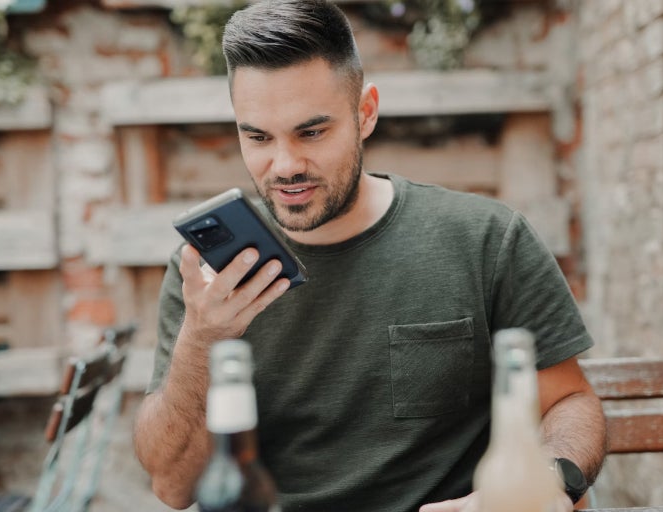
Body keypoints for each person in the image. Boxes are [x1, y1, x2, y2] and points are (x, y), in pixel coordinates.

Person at [133, 1, 607, 511]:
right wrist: (201, 341)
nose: (286, 165)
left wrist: (552, 483)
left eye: (311, 132)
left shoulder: (486, 239)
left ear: (365, 112)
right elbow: (172, 486)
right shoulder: (208, 278)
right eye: (258, 137)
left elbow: (569, 402)